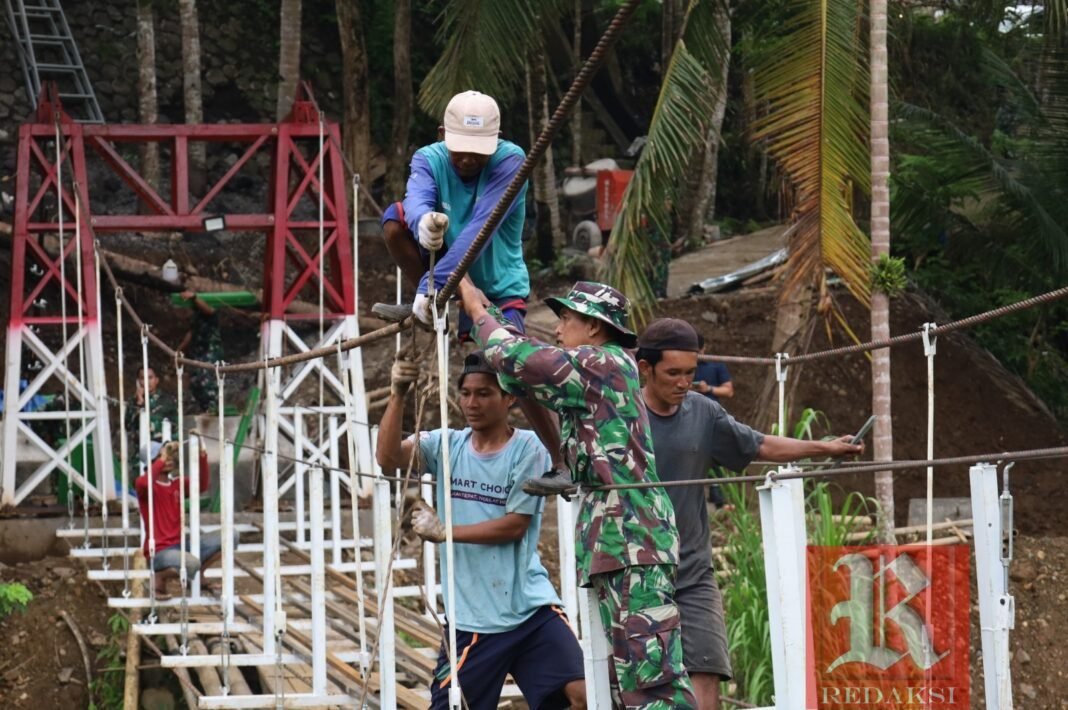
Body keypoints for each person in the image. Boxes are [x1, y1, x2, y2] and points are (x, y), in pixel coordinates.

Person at [458, 278, 697, 709]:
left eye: (566, 318)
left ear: (593, 327)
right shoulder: (594, 372)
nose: (557, 327)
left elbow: (516, 358)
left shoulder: (601, 363)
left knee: (653, 678)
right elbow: (520, 372)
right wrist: (490, 312)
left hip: (633, 543)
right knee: (631, 677)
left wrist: (475, 309)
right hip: (620, 545)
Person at [635, 318, 864, 710]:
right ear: (645, 368)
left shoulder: (703, 412)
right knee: (647, 688)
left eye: (690, 372)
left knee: (706, 670)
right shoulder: (623, 417)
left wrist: (824, 448)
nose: (684, 382)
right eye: (673, 373)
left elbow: (759, 445)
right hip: (639, 572)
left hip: (693, 572)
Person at [375, 351, 586, 710]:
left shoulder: (528, 449)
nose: (472, 403)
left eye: (484, 393)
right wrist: (397, 393)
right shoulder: (446, 445)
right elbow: (388, 458)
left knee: (582, 695)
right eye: (466, 393)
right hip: (472, 621)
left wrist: (446, 531)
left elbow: (515, 525)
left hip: (530, 609)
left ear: (509, 398)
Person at [372, 90, 562, 475]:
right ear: (443, 135)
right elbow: (416, 200)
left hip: (496, 284)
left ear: (496, 140)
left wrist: (434, 286)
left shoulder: (511, 161)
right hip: (448, 271)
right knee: (394, 219)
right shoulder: (428, 158)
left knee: (513, 367)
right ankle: (432, 301)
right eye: (460, 149)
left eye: (479, 151)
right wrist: (423, 223)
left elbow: (480, 230)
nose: (469, 159)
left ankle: (561, 459)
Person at [134, 436, 237, 599]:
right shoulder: (144, 485)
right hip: (159, 552)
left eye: (169, 456)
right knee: (191, 563)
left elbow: (202, 485)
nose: (168, 459)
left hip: (180, 547)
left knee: (231, 535)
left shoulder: (177, 484)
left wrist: (202, 454)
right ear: (151, 463)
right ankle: (157, 576)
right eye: (161, 456)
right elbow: (145, 483)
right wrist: (162, 457)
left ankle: (198, 575)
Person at [177, 290, 223, 412]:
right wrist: (179, 350)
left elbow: (209, 310)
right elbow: (191, 333)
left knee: (207, 381)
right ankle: (205, 408)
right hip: (198, 353)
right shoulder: (196, 317)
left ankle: (213, 407)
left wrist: (194, 297)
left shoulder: (211, 313)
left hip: (210, 352)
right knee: (195, 381)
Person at [125, 366, 179, 453]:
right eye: (143, 378)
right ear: (138, 381)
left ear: (156, 380)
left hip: (163, 450)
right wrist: (139, 402)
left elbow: (176, 425)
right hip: (141, 451)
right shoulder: (133, 401)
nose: (147, 381)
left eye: (150, 378)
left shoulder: (167, 400)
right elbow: (128, 425)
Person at [692, 334, 734, 403]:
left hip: (708, 406)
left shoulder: (716, 364)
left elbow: (729, 392)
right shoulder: (681, 364)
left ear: (704, 347)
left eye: (698, 352)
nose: (696, 355)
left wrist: (708, 388)